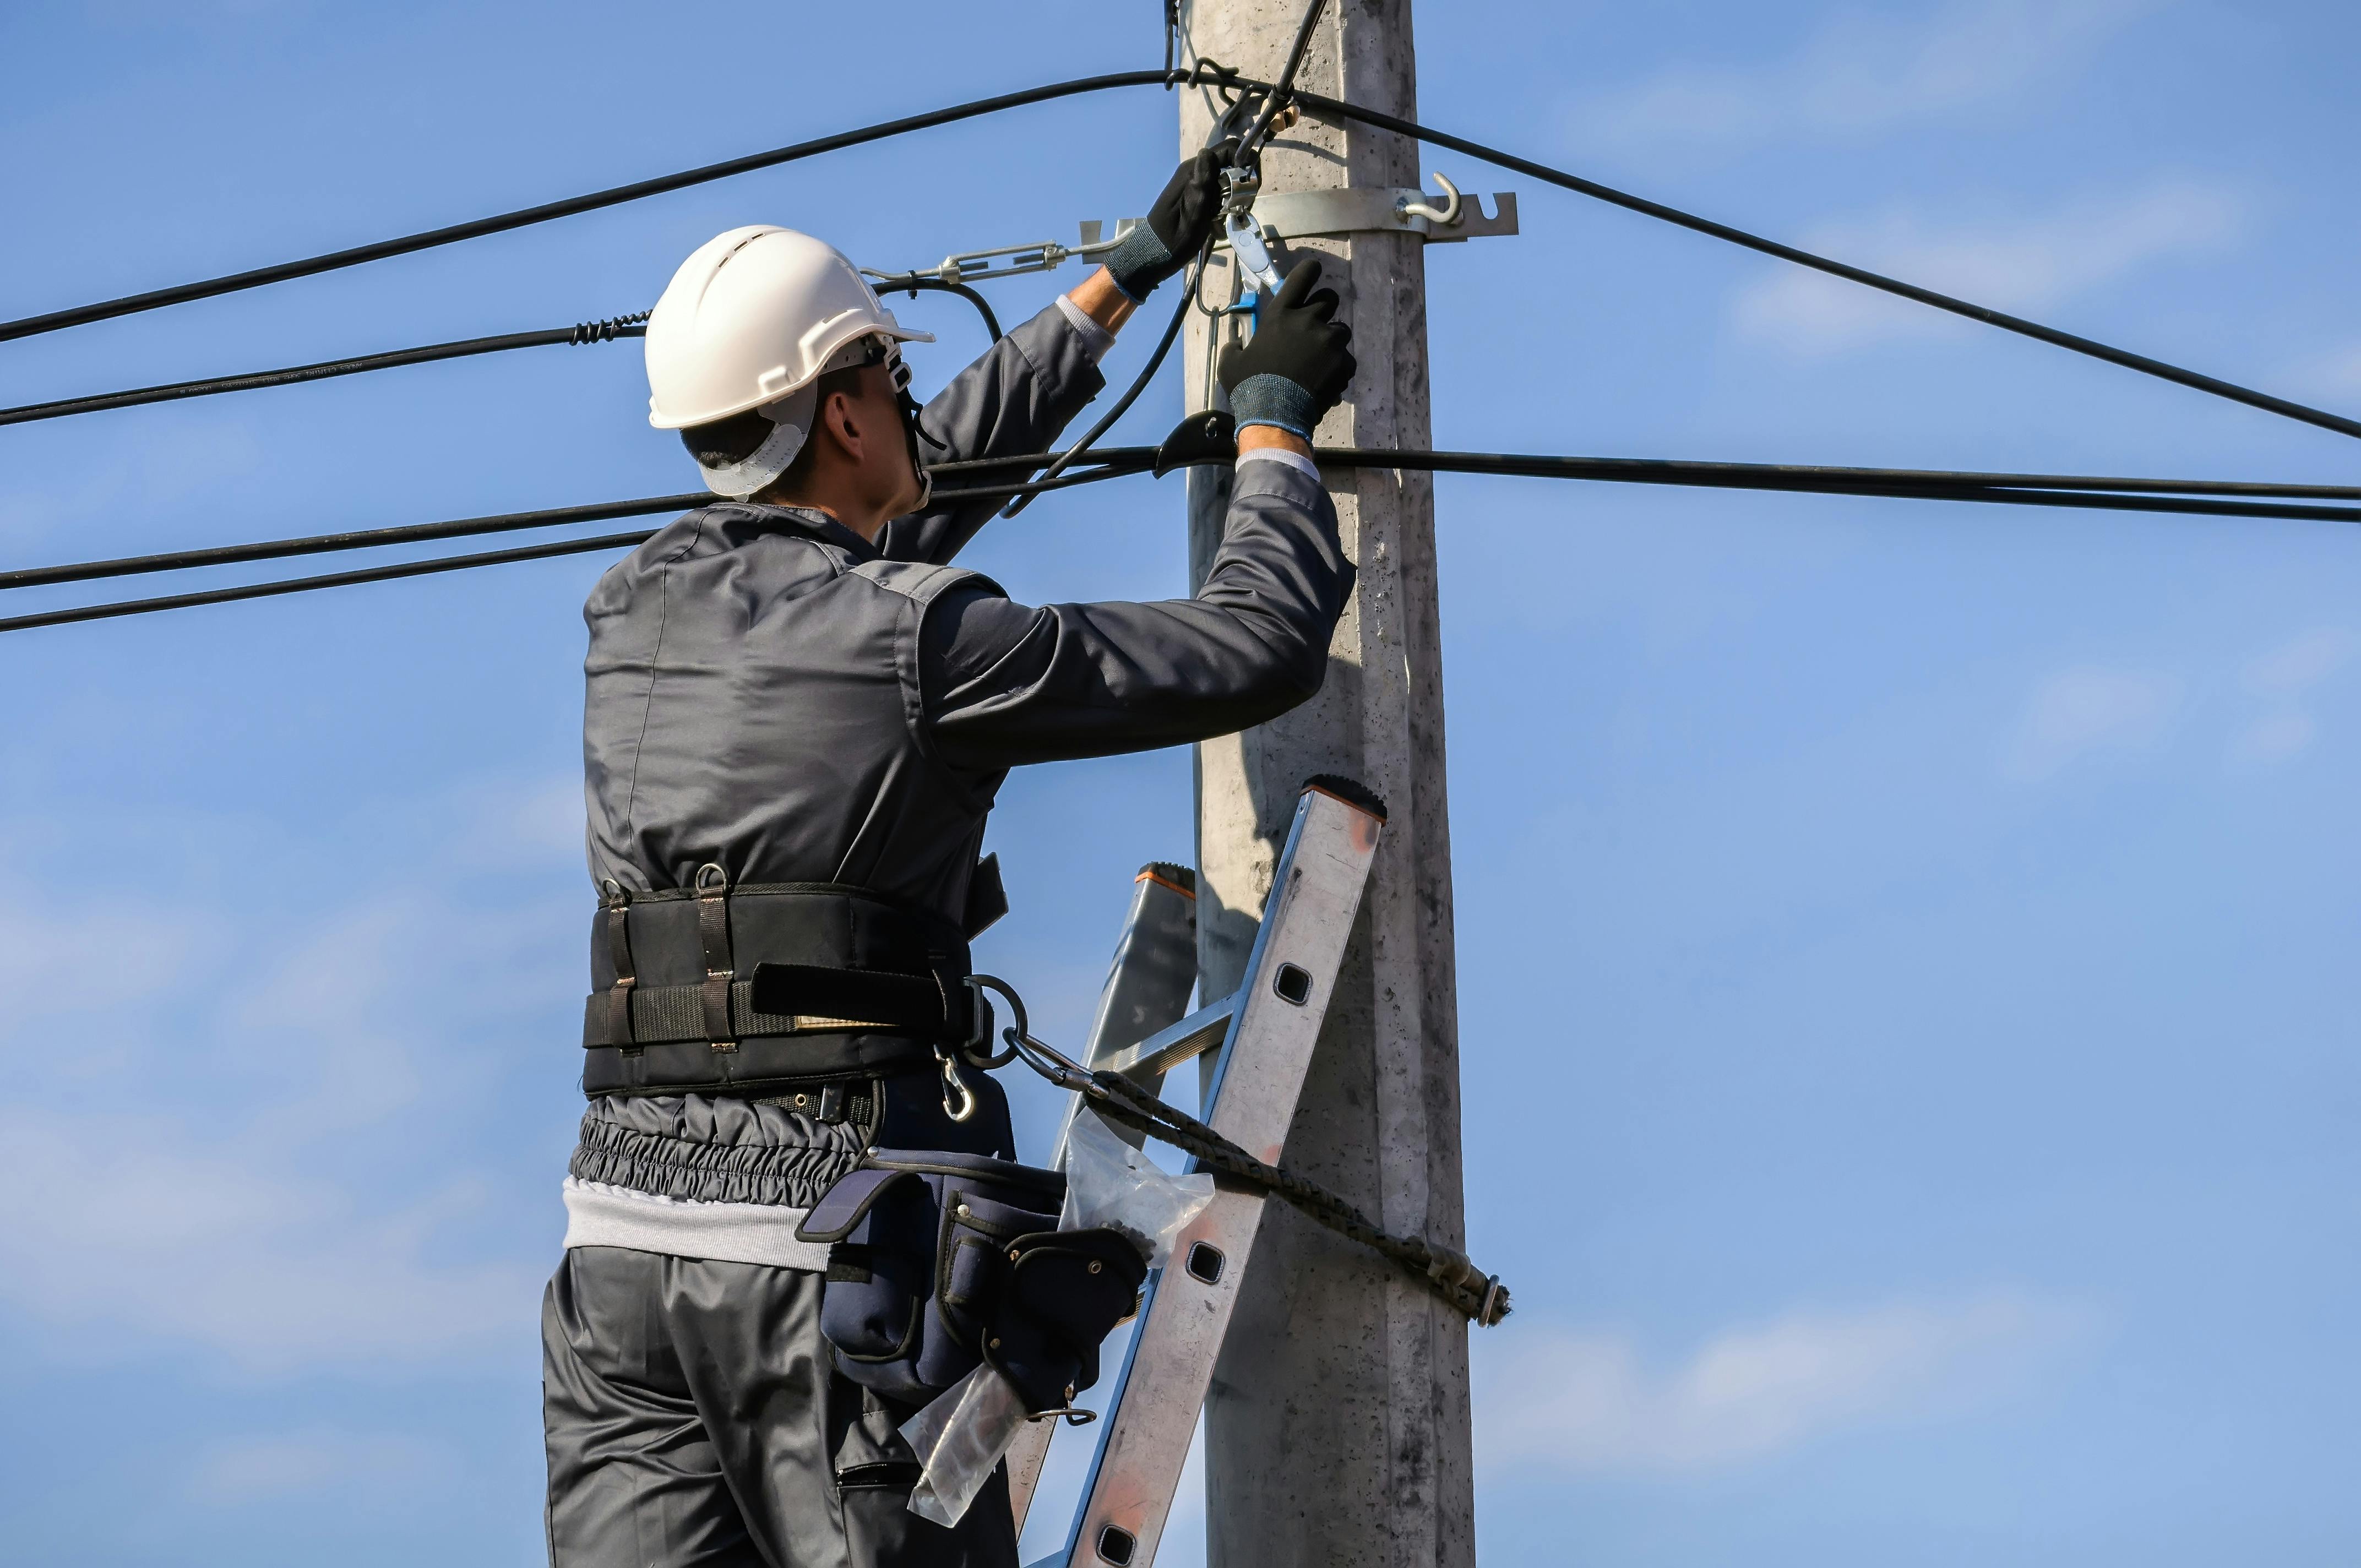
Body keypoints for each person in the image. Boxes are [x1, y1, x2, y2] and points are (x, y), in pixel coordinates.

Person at [541, 146, 1357, 1568]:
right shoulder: (924, 640)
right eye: (892, 387)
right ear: (846, 411)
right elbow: (1255, 649)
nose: (911, 411)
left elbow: (889, 509)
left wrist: (1121, 284)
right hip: (829, 1263)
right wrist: (1274, 435)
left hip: (621, 1262)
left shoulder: (639, 612)